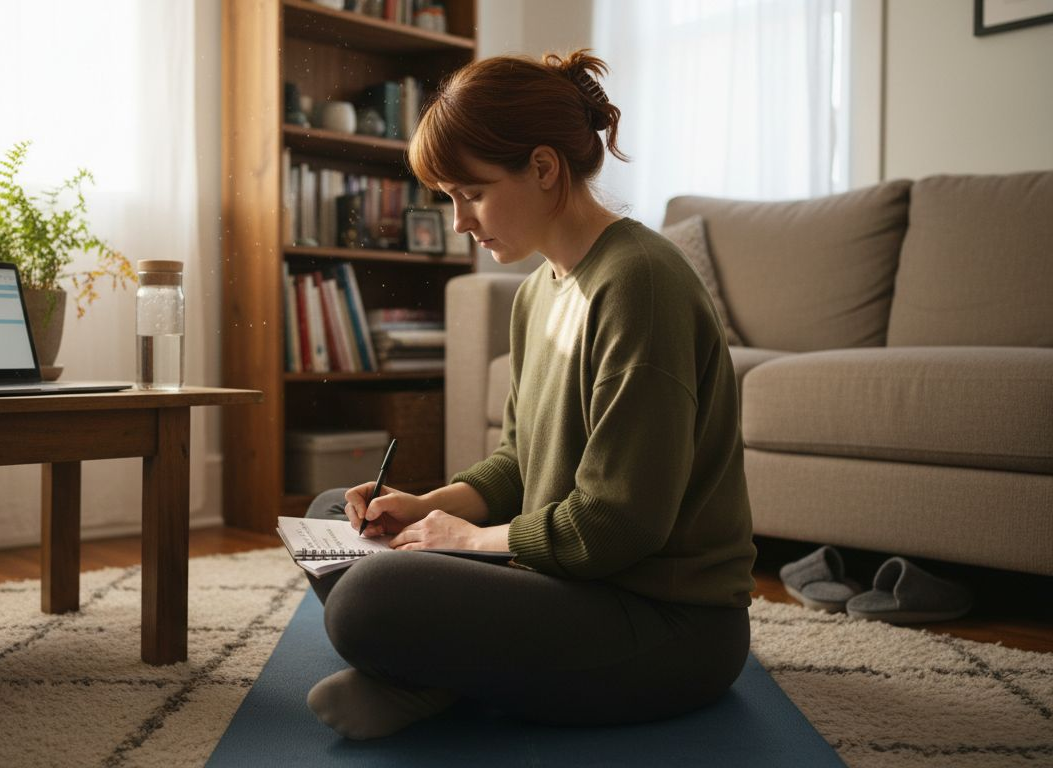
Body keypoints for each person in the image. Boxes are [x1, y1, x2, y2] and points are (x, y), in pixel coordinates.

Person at [301, 49, 756, 740]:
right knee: (335, 516)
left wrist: (472, 540)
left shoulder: (641, 284)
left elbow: (618, 525)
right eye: (449, 198)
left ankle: (432, 675)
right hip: (566, 585)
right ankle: (446, 675)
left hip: (669, 625)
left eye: (471, 193)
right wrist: (424, 509)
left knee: (367, 597)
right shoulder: (538, 292)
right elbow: (518, 461)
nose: (458, 221)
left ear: (544, 169)